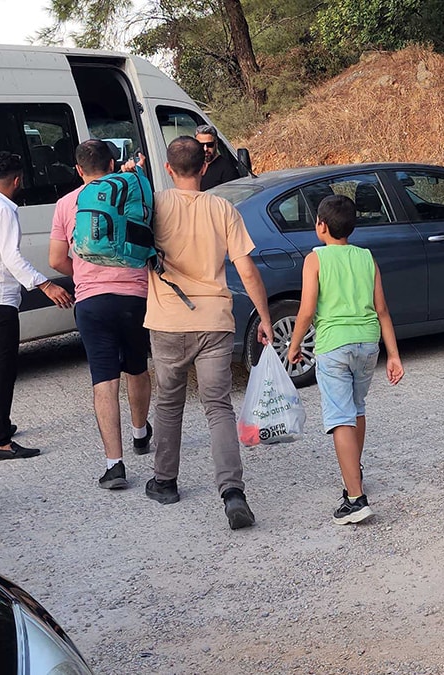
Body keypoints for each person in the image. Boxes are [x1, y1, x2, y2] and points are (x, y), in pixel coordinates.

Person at [143, 136, 273, 531]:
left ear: (168, 169)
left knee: (169, 403)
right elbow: (246, 269)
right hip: (215, 320)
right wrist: (265, 317)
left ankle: (165, 482)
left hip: (167, 320)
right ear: (204, 167)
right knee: (218, 406)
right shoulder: (222, 208)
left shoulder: (155, 206)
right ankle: (232, 493)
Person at [286, 195, 405, 525]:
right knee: (357, 408)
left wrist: (294, 345)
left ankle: (355, 499)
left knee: (340, 417)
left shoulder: (315, 259)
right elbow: (382, 310)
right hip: (368, 343)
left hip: (334, 345)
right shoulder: (367, 257)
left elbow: (307, 310)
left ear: (321, 226)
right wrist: (394, 355)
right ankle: (354, 474)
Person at [48, 140, 153, 490]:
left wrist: (82, 273)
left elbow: (55, 260)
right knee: (136, 367)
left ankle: (114, 464)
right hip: (134, 296)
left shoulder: (67, 203)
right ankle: (140, 433)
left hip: (92, 302)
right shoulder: (132, 193)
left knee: (104, 380)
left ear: (79, 170)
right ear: (111, 164)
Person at [0, 151, 73, 460]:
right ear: (18, 180)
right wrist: (45, 284)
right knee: (4, 370)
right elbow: (12, 257)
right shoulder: (4, 211)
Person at [195, 125, 240, 191]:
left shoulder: (227, 169)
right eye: (201, 145)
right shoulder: (191, 167)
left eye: (209, 145)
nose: (205, 149)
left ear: (216, 144)